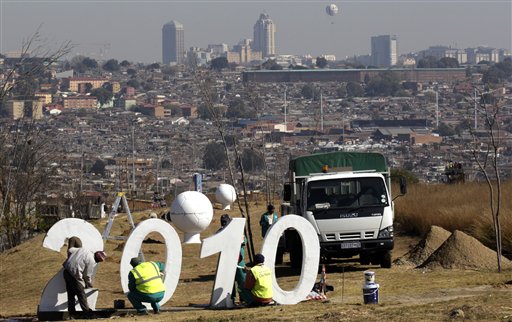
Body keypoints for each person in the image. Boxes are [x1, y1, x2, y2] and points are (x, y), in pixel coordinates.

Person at [63, 248, 107, 317]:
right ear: (98, 259)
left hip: (66, 271)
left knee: (70, 295)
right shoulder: (92, 261)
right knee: (81, 294)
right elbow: (87, 275)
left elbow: (70, 250)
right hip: (75, 274)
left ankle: (72, 314)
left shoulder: (85, 250)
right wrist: (89, 284)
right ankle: (87, 313)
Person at [217, 214, 247, 304]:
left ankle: (244, 298)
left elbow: (243, 241)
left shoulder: (237, 231)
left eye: (226, 221)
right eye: (223, 221)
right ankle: (231, 299)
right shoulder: (219, 232)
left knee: (242, 280)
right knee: (229, 282)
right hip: (227, 261)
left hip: (239, 261)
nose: (224, 223)